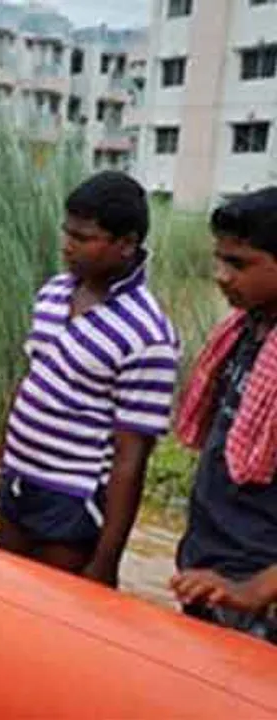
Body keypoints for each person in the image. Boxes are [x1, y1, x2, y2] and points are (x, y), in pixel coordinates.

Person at [0, 171, 179, 587]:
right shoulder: (53, 293)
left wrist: (106, 560)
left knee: (56, 605)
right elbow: (29, 382)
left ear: (126, 244)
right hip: (20, 479)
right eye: (67, 233)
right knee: (3, 595)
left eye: (83, 238)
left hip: (73, 499)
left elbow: (131, 457)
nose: (67, 246)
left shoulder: (148, 334)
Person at [170, 187, 277, 643]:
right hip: (210, 565)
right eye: (220, 260)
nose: (221, 276)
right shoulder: (245, 331)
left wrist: (255, 589)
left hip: (255, 591)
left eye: (239, 264)